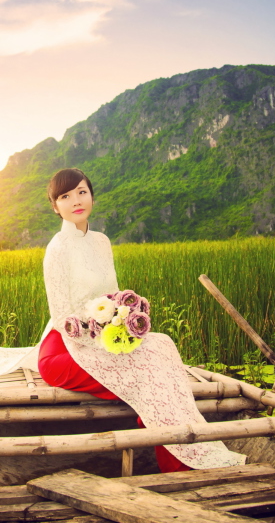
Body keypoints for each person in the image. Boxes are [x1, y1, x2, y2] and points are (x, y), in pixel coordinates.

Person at [8, 168, 247, 471]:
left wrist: (122, 316)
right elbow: (61, 317)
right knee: (146, 374)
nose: (76, 201)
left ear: (91, 195)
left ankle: (183, 441)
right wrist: (101, 333)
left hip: (106, 334)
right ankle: (178, 463)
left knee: (161, 345)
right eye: (65, 197)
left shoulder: (101, 241)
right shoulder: (57, 249)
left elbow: (113, 294)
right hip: (67, 348)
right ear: (56, 207)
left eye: (82, 192)